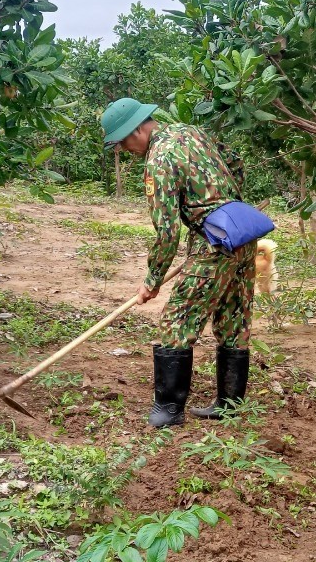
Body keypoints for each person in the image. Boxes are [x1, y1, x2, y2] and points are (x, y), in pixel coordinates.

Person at [100, 97, 257, 428]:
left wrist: (152, 280)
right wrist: (228, 206)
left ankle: (168, 410)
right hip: (243, 229)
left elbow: (167, 232)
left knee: (177, 320)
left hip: (214, 243)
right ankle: (229, 404)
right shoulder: (191, 132)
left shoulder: (158, 161)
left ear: (139, 129)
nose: (124, 149)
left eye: (123, 141)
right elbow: (236, 162)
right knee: (233, 317)